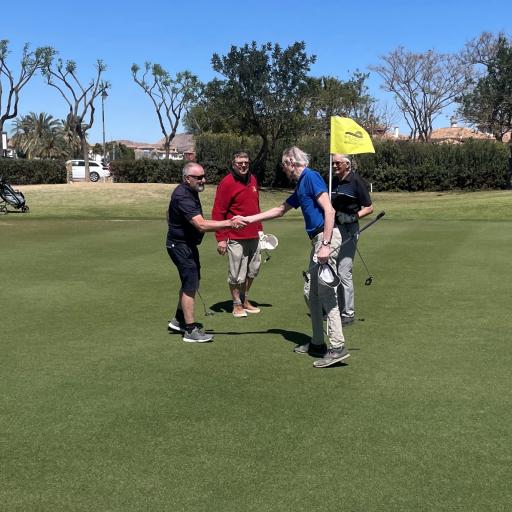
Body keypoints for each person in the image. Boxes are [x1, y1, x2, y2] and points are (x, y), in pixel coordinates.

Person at [241, 147, 350, 368]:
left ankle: (337, 347)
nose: (284, 170)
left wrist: (326, 245)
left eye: (284, 165)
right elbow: (280, 209)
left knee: (327, 295)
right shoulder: (301, 184)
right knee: (311, 293)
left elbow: (329, 211)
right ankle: (318, 343)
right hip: (317, 240)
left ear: (291, 161)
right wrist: (249, 219)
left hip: (325, 238)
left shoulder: (310, 177)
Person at [166, 162, 246, 343]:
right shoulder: (183, 196)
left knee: (192, 282)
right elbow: (201, 225)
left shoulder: (189, 191)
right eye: (198, 177)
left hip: (185, 244)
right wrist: (229, 223)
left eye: (203, 176)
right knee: (190, 285)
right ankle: (190, 330)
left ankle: (178, 320)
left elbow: (168, 213)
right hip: (180, 246)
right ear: (187, 179)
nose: (204, 180)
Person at [211, 152, 263, 318]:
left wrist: (260, 229)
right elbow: (218, 211)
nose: (243, 165)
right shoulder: (227, 182)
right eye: (239, 163)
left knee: (252, 270)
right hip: (235, 236)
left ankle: (245, 299)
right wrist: (221, 239)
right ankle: (236, 304)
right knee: (236, 274)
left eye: (246, 162)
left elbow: (256, 206)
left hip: (254, 234)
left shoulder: (253, 179)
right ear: (233, 164)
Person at [331, 154, 374, 325]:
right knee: (332, 269)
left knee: (344, 270)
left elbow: (369, 207)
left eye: (337, 163)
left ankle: (348, 313)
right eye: (333, 162)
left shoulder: (356, 181)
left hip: (349, 228)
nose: (334, 165)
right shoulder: (332, 181)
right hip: (333, 228)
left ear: (347, 165)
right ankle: (335, 309)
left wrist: (353, 217)